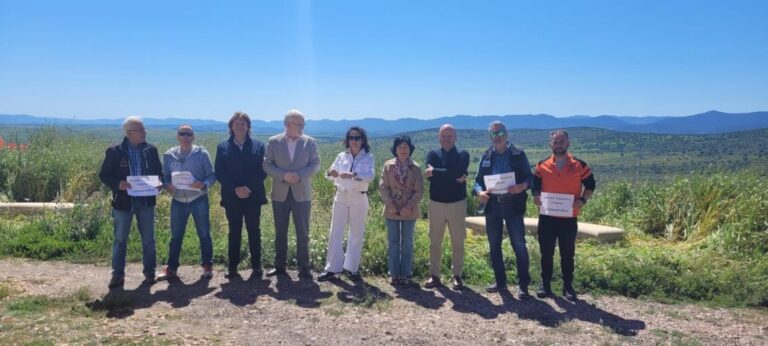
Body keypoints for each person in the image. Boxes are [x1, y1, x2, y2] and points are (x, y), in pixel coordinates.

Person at [99, 116, 162, 288]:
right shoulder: (115, 151)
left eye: (144, 129)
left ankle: (150, 272)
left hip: (146, 201)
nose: (144, 132)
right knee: (120, 239)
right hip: (123, 203)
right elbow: (104, 175)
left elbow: (159, 174)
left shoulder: (151, 150)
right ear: (129, 133)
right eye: (140, 130)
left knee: (149, 239)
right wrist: (118, 184)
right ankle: (117, 275)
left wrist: (159, 184)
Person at [532, 129, 595, 301]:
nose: (558, 145)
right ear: (550, 144)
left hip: (568, 218)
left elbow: (590, 185)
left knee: (568, 253)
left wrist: (582, 200)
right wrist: (536, 196)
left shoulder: (579, 165)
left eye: (561, 142)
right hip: (547, 217)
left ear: (568, 143)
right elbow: (535, 185)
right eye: (555, 142)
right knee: (546, 252)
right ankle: (545, 284)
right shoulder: (542, 165)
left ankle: (568, 286)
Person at [473, 121, 533, 296]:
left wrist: (522, 186)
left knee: (519, 245)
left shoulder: (518, 154)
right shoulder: (486, 156)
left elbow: (531, 177)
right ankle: (501, 283)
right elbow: (477, 181)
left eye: (500, 133)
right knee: (494, 246)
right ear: (489, 136)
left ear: (506, 134)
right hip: (492, 206)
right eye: (493, 134)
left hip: (513, 205)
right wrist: (479, 192)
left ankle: (523, 285)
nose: (497, 137)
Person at [263, 109, 321, 279]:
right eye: (299, 124)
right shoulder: (274, 141)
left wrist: (299, 176)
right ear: (288, 124)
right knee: (280, 232)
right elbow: (267, 165)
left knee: (303, 232)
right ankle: (279, 267)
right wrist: (283, 175)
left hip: (302, 193)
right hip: (280, 194)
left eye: (303, 124)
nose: (302, 126)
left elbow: (316, 164)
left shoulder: (310, 142)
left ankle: (304, 268)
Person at [157, 124, 216, 281]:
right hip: (178, 200)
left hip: (198, 199)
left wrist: (203, 184)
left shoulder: (202, 154)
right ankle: (171, 268)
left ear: (193, 137)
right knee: (176, 236)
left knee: (204, 234)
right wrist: (167, 185)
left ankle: (207, 265)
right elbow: (166, 176)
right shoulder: (169, 155)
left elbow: (212, 176)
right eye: (182, 134)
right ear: (177, 136)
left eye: (189, 134)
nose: (186, 137)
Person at [215, 112, 268, 279]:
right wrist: (236, 188)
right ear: (231, 127)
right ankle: (232, 266)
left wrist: (248, 188)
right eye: (236, 124)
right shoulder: (222, 147)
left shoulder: (259, 146)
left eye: (243, 124)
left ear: (248, 127)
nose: (240, 126)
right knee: (234, 231)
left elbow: (263, 171)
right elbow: (219, 172)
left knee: (254, 230)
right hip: (232, 197)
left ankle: (256, 265)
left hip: (253, 196)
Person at [318, 127, 375, 282]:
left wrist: (353, 175)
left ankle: (351, 268)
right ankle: (332, 268)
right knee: (335, 231)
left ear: (362, 140)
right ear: (347, 140)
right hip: (341, 196)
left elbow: (370, 176)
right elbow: (328, 174)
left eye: (357, 138)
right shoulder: (341, 155)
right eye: (351, 138)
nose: (354, 141)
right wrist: (331, 173)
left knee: (356, 233)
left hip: (359, 197)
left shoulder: (368, 157)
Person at [423, 124, 470, 290]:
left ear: (455, 137)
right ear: (439, 137)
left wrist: (436, 171)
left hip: (457, 203)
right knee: (435, 241)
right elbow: (433, 178)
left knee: (458, 242)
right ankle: (434, 275)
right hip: (436, 203)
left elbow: (457, 173)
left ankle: (457, 275)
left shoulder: (463, 154)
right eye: (443, 136)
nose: (446, 139)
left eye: (450, 136)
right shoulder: (432, 154)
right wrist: (450, 174)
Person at [379, 135, 424, 285]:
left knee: (407, 242)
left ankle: (405, 273)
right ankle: (393, 273)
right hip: (391, 209)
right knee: (393, 241)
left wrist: (409, 206)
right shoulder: (387, 165)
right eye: (400, 147)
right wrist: (389, 204)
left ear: (410, 149)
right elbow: (383, 187)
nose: (403, 150)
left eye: (406, 147)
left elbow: (419, 191)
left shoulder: (416, 168)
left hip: (409, 210)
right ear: (395, 149)